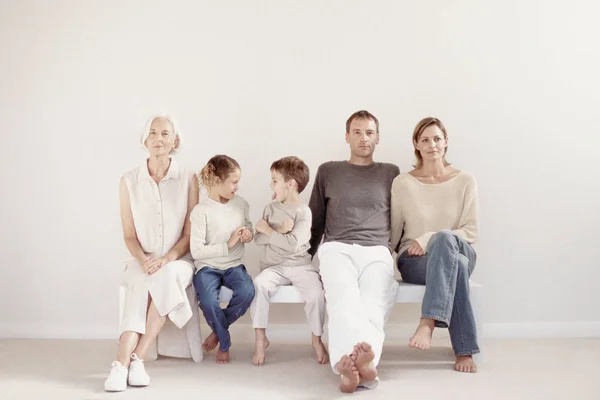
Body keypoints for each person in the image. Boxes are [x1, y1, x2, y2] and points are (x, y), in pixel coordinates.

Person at [105, 115, 199, 392]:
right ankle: (122, 364)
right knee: (139, 284)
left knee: (166, 276)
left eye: (165, 134)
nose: (159, 139)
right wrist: (144, 260)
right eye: (153, 133)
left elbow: (188, 235)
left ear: (175, 140)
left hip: (178, 260)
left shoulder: (188, 178)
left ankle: (137, 358)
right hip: (141, 258)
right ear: (144, 140)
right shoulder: (129, 181)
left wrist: (167, 258)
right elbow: (129, 235)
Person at [309, 110, 400, 393]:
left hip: (377, 249)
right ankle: (353, 367)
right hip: (337, 247)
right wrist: (303, 256)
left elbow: (400, 217)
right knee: (344, 299)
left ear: (378, 138)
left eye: (370, 133)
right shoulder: (328, 170)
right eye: (357, 132)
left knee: (374, 302)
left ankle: (357, 366)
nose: (363, 138)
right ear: (347, 136)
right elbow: (316, 218)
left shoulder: (391, 172)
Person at [390, 117, 480, 373]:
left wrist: (430, 237)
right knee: (458, 267)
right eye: (425, 139)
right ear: (416, 145)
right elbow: (394, 234)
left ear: (446, 142)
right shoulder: (402, 183)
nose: (432, 145)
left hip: (459, 247)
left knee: (445, 242)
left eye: (437, 138)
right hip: (415, 260)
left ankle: (427, 321)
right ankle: (464, 351)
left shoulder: (465, 181)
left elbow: (471, 231)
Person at [250, 156, 328, 366]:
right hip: (273, 267)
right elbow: (258, 239)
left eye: (275, 180)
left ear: (291, 184)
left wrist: (269, 231)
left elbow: (294, 244)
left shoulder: (304, 212)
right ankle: (260, 338)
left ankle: (316, 338)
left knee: (317, 295)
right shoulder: (270, 208)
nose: (270, 185)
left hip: (300, 266)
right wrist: (277, 230)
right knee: (258, 286)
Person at [190, 154, 255, 364]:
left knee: (247, 292)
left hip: (234, 266)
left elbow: (249, 225)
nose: (237, 187)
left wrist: (248, 234)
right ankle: (225, 342)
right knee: (208, 300)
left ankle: (217, 332)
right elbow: (197, 251)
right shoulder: (201, 212)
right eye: (234, 182)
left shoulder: (241, 204)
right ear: (217, 181)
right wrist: (227, 245)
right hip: (207, 268)